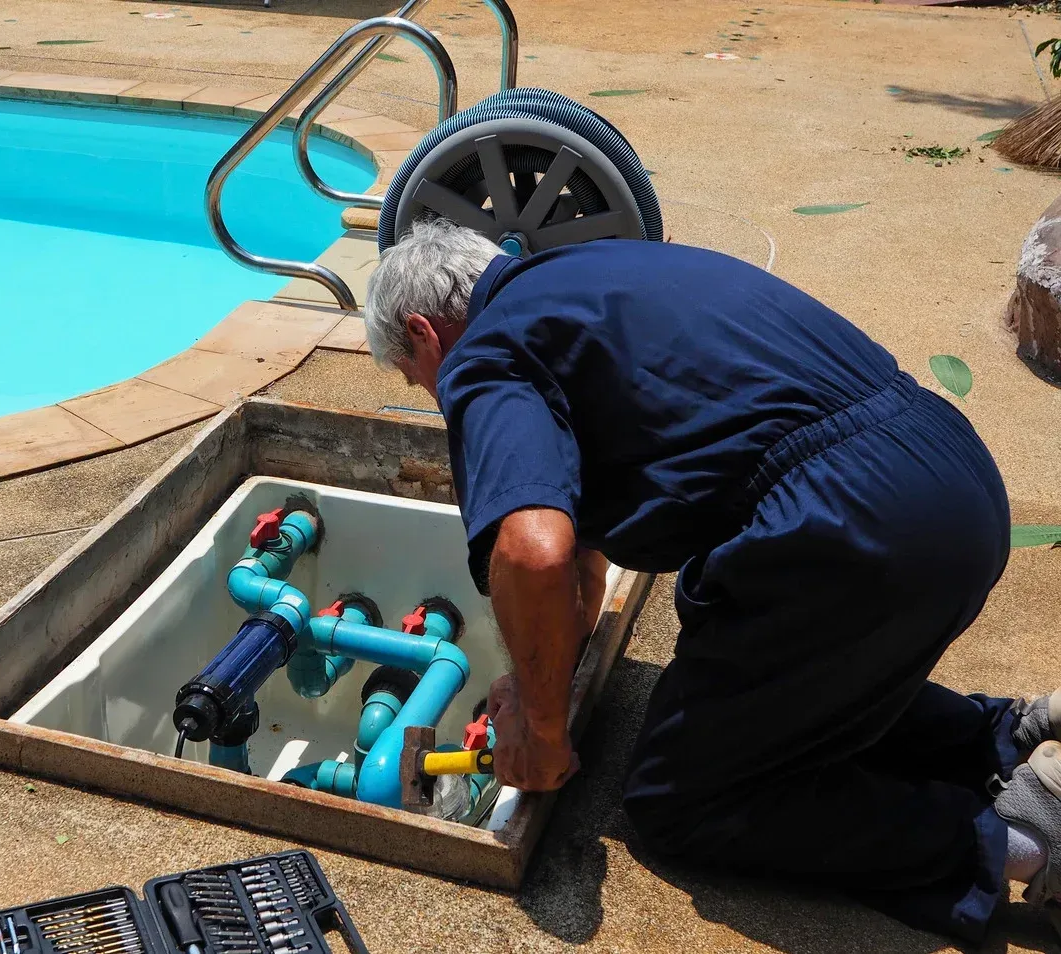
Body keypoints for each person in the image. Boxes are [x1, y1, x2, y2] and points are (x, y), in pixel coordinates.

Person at [362, 219, 1059, 941]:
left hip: (856, 527)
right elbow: (580, 566)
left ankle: (1024, 839)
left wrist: (540, 734)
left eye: (420, 382)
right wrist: (537, 682)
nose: (439, 401)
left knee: (682, 796)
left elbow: (531, 553)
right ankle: (1009, 735)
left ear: (425, 333)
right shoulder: (589, 275)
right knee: (768, 697)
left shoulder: (485, 352)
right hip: (950, 481)